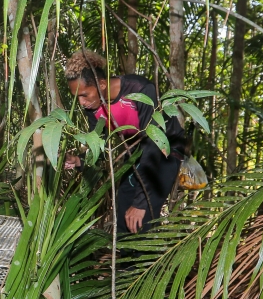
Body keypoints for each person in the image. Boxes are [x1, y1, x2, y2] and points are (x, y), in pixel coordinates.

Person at [63, 50, 185, 234]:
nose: (81, 103)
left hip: (163, 153)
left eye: (84, 95)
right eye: (77, 97)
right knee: (124, 222)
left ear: (102, 84)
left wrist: (141, 202)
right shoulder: (93, 106)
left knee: (141, 219)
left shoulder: (140, 90)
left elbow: (153, 146)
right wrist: (80, 160)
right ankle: (125, 262)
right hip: (135, 155)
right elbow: (101, 147)